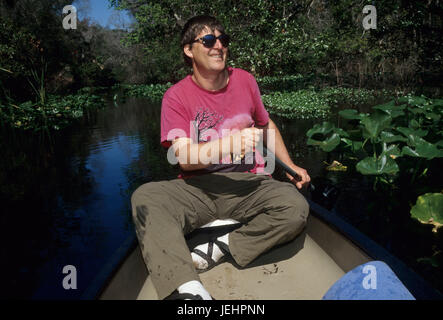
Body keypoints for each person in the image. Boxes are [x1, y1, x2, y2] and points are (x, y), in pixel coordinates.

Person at [131, 15, 310, 300]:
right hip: (198, 187)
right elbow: (185, 159)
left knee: (295, 207)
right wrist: (229, 144)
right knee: (146, 197)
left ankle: (223, 246)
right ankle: (187, 289)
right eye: (208, 40)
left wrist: (291, 166)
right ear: (189, 50)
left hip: (248, 185)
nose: (218, 46)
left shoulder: (245, 80)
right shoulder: (175, 97)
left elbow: (265, 126)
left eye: (223, 40)